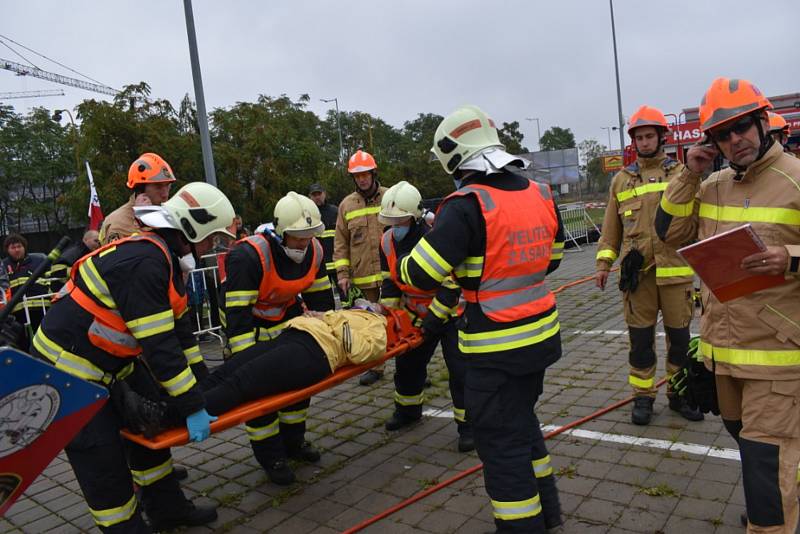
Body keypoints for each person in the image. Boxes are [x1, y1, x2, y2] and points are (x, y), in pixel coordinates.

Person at [31, 181, 237, 533]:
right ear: (190, 229)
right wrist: (192, 405)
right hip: (68, 375)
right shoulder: (146, 262)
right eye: (211, 239)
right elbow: (160, 350)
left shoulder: (162, 257)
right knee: (104, 462)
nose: (209, 248)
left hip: (110, 364)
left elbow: (181, 332)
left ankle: (167, 510)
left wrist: (201, 380)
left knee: (151, 431)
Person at [397, 105, 565, 532]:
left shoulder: (466, 204)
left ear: (453, 157)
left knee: (502, 447)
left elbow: (418, 275)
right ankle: (550, 515)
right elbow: (554, 260)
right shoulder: (540, 193)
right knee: (524, 426)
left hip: (493, 351)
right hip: (540, 339)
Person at [656, 77, 800, 533]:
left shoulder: (795, 179)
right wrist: (689, 173)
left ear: (763, 123)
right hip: (723, 356)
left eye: (742, 127)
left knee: (765, 467)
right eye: (723, 133)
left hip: (779, 360)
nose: (735, 140)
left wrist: (790, 259)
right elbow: (669, 233)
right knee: (753, 450)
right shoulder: (711, 184)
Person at [595, 105, 702, 425]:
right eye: (639, 137)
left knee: (680, 342)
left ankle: (678, 394)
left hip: (676, 274)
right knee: (640, 342)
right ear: (633, 141)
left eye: (649, 136)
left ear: (661, 137)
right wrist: (603, 264)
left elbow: (698, 220)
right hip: (637, 278)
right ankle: (642, 398)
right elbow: (611, 228)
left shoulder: (683, 174)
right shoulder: (621, 181)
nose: (643, 142)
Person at [220, 191, 334, 485]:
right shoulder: (248, 256)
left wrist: (326, 337)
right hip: (249, 326)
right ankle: (271, 457)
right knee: (260, 396)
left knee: (298, 387)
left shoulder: (316, 251)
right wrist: (246, 364)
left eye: (310, 236)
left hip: (287, 317)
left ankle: (293, 443)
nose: (304, 243)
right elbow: (238, 317)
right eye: (298, 237)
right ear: (281, 233)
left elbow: (321, 301)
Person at [377, 181, 472, 451]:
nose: (394, 226)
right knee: (407, 366)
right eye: (390, 220)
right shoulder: (386, 241)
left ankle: (469, 427)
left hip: (449, 314)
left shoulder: (434, 238)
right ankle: (408, 411)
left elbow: (451, 285)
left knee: (460, 371)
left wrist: (432, 321)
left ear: (415, 216)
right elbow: (390, 280)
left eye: (400, 220)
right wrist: (390, 315)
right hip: (414, 315)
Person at [333, 149, 388, 386]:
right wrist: (343, 275)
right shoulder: (346, 205)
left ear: (373, 173)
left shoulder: (390, 197)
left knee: (401, 319)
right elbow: (340, 243)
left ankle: (411, 367)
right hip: (364, 277)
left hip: (391, 275)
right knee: (370, 323)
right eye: (357, 176)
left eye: (365, 174)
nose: (362, 179)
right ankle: (377, 367)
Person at [99, 153, 176, 245]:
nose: (165, 194)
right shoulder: (118, 223)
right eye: (158, 187)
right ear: (140, 189)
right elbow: (133, 256)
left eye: (168, 186)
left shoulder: (168, 213)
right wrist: (143, 223)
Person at [2, 233, 52, 349]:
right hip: (17, 315)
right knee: (24, 345)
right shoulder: (3, 266)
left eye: (19, 246)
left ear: (24, 247)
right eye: (13, 248)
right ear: (7, 250)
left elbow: (52, 280)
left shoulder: (39, 261)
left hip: (42, 310)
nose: (17, 250)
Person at [308, 182, 339, 289]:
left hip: (337, 264)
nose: (317, 197)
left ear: (324, 194)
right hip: (319, 267)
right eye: (314, 195)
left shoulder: (335, 211)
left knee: (346, 299)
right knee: (325, 300)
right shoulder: (308, 215)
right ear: (310, 197)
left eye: (319, 194)